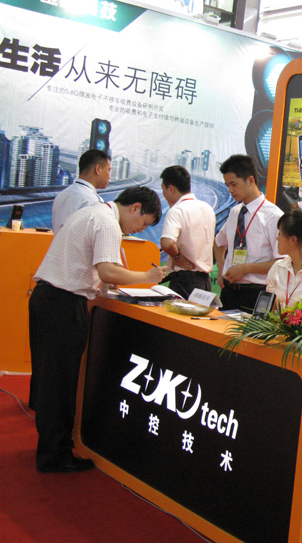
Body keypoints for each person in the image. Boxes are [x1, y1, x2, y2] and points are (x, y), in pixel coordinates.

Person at [29, 186, 167, 473]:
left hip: (46, 299)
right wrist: (147, 276)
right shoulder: (107, 223)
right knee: (60, 382)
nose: (139, 231)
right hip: (64, 305)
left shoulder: (91, 213)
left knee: (49, 379)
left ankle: (51, 447)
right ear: (135, 207)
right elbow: (107, 271)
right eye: (143, 223)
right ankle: (55, 455)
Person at [213, 154, 283, 311]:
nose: (230, 190)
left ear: (250, 180)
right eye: (227, 185)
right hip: (229, 292)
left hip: (257, 294)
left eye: (233, 184)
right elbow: (218, 243)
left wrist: (245, 268)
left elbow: (281, 263)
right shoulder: (235, 212)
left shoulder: (274, 216)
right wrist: (221, 269)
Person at [159, 165, 216, 298]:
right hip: (204, 281)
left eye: (163, 189)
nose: (163, 194)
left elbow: (167, 243)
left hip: (184, 281)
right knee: (199, 312)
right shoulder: (207, 208)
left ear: (171, 188)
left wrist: (176, 256)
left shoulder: (177, 210)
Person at [52, 149, 111, 234]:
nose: (109, 176)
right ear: (98, 169)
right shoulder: (92, 201)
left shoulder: (61, 195)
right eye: (108, 170)